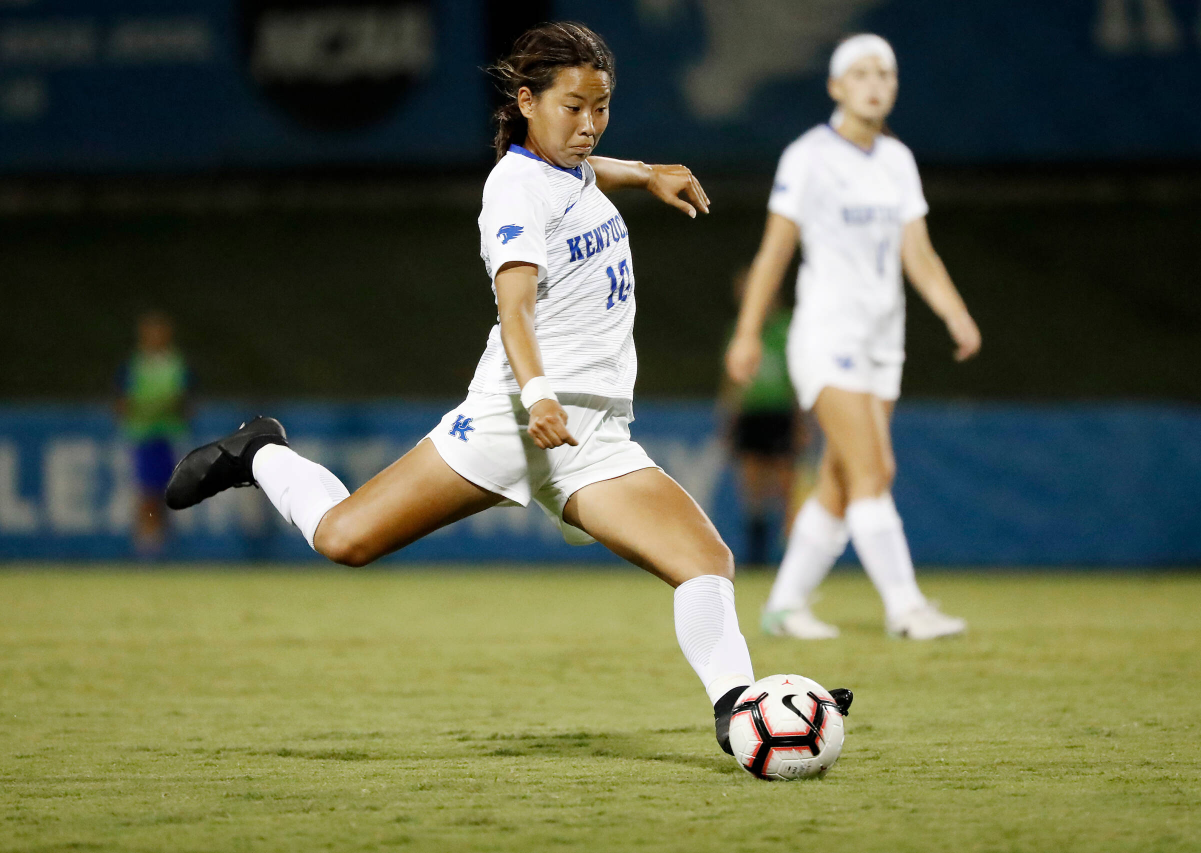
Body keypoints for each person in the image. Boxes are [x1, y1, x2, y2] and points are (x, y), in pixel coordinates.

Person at [164, 22, 850, 751]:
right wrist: (539, 395)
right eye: (572, 107)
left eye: (602, 106)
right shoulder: (514, 186)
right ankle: (260, 452)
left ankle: (738, 711)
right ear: (527, 101)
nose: (588, 125)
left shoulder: (565, 169)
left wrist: (645, 172)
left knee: (705, 560)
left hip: (589, 437)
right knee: (344, 539)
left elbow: (584, 173)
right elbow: (515, 309)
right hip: (514, 418)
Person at [726, 34, 982, 641]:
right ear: (836, 87)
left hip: (881, 341)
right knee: (875, 468)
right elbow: (774, 252)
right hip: (826, 332)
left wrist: (953, 312)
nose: (875, 83)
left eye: (885, 74)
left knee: (843, 480)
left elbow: (916, 252)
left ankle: (784, 606)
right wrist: (747, 332)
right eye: (861, 73)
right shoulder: (808, 157)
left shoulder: (896, 160)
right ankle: (905, 607)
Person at [721, 268, 800, 566]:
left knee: (786, 487)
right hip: (750, 414)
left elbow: (799, 375)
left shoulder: (786, 327)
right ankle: (758, 553)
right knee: (752, 487)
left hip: (781, 413)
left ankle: (796, 554)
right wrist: (728, 418)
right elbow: (731, 381)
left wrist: (803, 420)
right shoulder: (738, 331)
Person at [116, 311, 191, 556]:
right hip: (143, 436)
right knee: (147, 491)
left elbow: (185, 400)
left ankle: (164, 546)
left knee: (171, 492)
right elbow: (122, 401)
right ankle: (147, 546)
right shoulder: (135, 364)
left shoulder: (175, 363)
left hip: (169, 436)